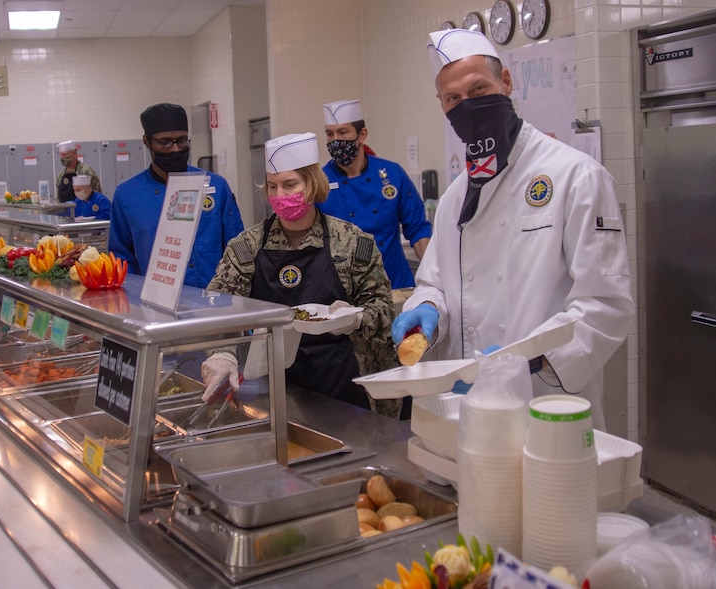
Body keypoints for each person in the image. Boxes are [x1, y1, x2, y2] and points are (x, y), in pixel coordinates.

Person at [392, 29, 635, 429]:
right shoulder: (455, 196)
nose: (467, 106)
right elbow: (434, 281)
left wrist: (530, 358)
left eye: (479, 89)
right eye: (453, 99)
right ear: (442, 105)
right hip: (467, 407)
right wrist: (426, 309)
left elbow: (606, 304)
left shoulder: (576, 176)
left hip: (546, 404)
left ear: (506, 82)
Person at [204, 132, 401, 417]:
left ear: (312, 184)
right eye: (272, 187)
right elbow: (218, 308)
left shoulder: (351, 241)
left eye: (290, 185)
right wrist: (222, 354)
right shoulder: (247, 247)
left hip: (344, 386)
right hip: (275, 389)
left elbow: (384, 312)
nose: (280, 196)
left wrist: (356, 317)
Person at [108, 103, 244, 288]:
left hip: (216, 300)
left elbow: (238, 246)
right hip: (156, 303)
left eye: (181, 140)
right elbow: (121, 260)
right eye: (164, 143)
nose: (175, 149)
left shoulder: (216, 186)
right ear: (147, 142)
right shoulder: (127, 196)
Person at [318, 99, 431, 289]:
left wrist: (433, 275)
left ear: (362, 135)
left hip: (396, 285)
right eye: (330, 134)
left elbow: (418, 228)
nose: (335, 140)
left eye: (343, 132)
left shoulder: (392, 174)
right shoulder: (320, 183)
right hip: (345, 294)